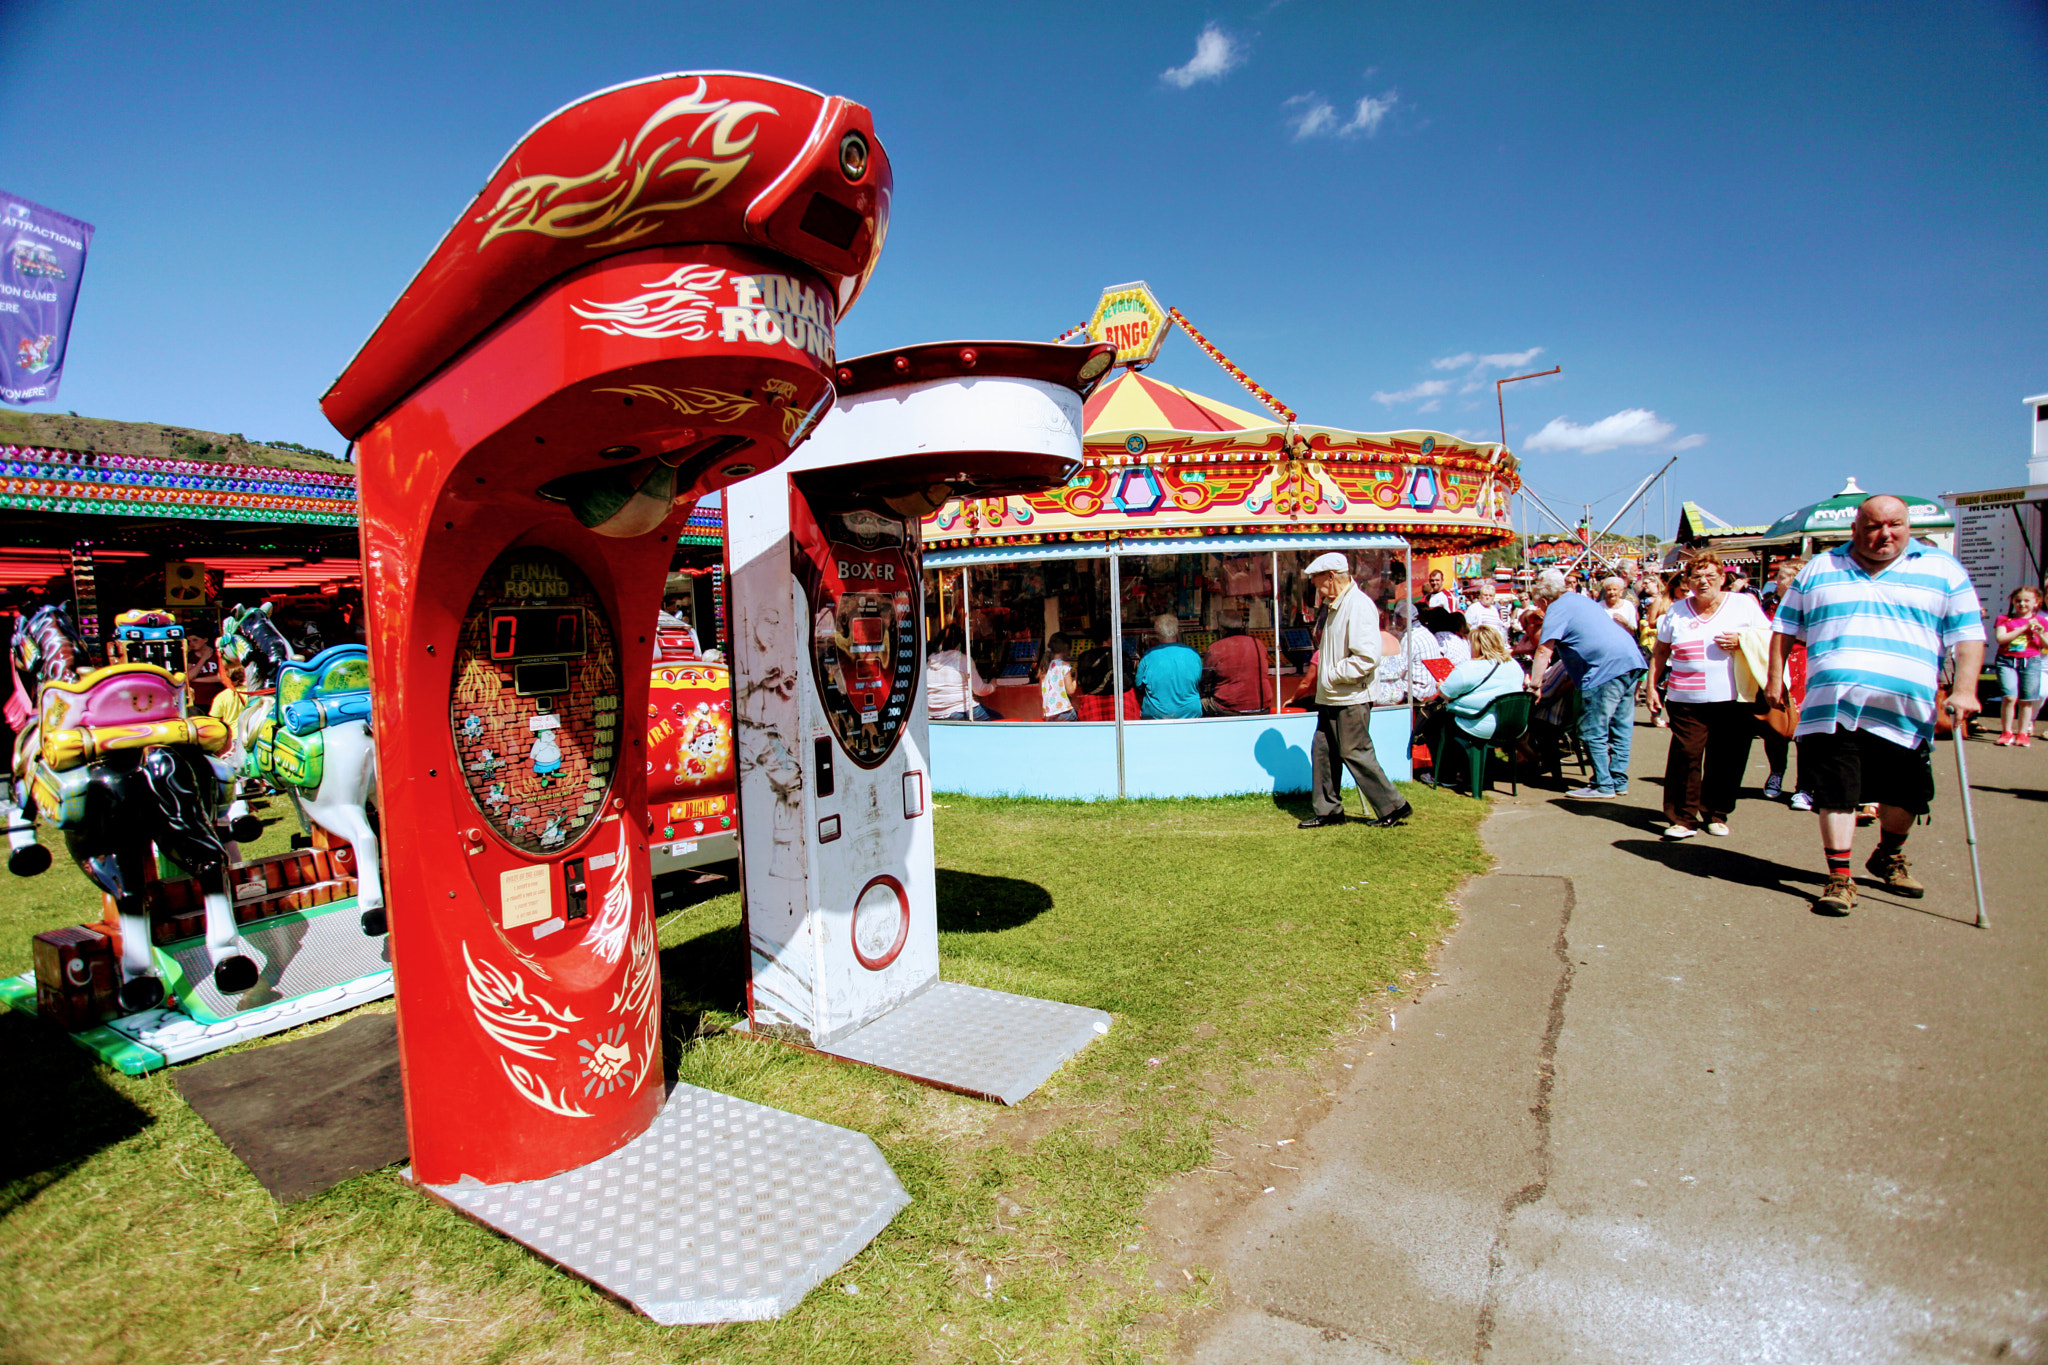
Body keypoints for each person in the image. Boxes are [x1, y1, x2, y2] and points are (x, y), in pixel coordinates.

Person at [1766, 495, 1985, 915]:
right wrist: (1775, 678)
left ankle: (1888, 854)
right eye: (1873, 525)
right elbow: (1785, 627)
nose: (1884, 533)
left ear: (1907, 526)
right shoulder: (1820, 569)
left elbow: (1968, 634)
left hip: (1907, 710)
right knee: (1837, 792)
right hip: (1832, 706)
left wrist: (1965, 689)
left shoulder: (1942, 569)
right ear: (1855, 529)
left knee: (1905, 796)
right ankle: (1840, 877)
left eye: (1895, 524)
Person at [1647, 553, 1772, 839]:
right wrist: (1651, 687)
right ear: (1687, 581)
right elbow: (1661, 652)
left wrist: (1742, 640)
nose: (1703, 582)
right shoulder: (1675, 611)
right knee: (1686, 755)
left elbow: (1769, 637)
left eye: (1710, 576)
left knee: (1727, 757)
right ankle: (1683, 818)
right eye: (1696, 577)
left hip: (1733, 697)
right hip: (1684, 698)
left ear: (1722, 578)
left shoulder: (1744, 605)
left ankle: (1716, 813)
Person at [1298, 552, 1410, 829]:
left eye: (1317, 579)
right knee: (1323, 750)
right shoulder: (1338, 604)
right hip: (1335, 694)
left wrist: (1333, 675)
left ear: (1331, 577)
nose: (1315, 585)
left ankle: (1393, 806)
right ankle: (1328, 810)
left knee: (1354, 751)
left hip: (1350, 694)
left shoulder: (1357, 605)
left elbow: (1367, 658)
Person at [1525, 567, 1647, 800]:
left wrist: (1535, 685)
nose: (1539, 609)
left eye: (1538, 604)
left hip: (1604, 669)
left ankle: (1603, 784)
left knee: (1593, 728)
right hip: (1630, 660)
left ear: (1543, 599)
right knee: (1621, 726)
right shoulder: (1579, 599)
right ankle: (1618, 781)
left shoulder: (1556, 609)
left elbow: (1543, 650)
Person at [1423, 623, 1524, 781]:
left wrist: (1441, 686)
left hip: (1481, 724)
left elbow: (1446, 693)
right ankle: (1473, 770)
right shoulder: (1514, 665)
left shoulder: (1468, 668)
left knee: (1434, 724)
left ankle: (1444, 775)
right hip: (1510, 725)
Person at [1992, 586, 2047, 745]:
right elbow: (2001, 639)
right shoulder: (2004, 619)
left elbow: (2046, 645)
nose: (2022, 604)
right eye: (2018, 601)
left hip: (2031, 661)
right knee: (2009, 697)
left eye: (2026, 601)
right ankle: (2007, 732)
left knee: (2027, 700)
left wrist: (2039, 632)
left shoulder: (2041, 621)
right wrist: (2024, 628)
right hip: (2007, 660)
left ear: (2036, 603)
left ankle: (2023, 733)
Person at [1201, 614, 1274, 716]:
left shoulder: (1216, 648)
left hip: (1228, 707)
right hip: (1262, 706)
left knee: (1197, 705)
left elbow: (1206, 679)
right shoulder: (1258, 643)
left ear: (1221, 629)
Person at [1134, 614, 1203, 719]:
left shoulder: (1149, 656)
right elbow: (1199, 681)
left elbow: (1139, 684)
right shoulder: (1193, 653)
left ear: (1158, 634)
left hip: (1157, 715)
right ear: (1177, 631)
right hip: (1190, 713)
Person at [926, 626, 995, 721]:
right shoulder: (962, 660)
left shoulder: (930, 662)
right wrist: (993, 685)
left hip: (933, 713)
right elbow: (980, 690)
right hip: (960, 710)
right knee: (997, 719)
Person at [1038, 632, 1079, 721]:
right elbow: (1070, 690)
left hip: (1049, 714)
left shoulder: (1044, 667)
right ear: (1066, 647)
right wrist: (1076, 678)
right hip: (1064, 711)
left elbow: (1041, 693)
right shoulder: (1064, 665)